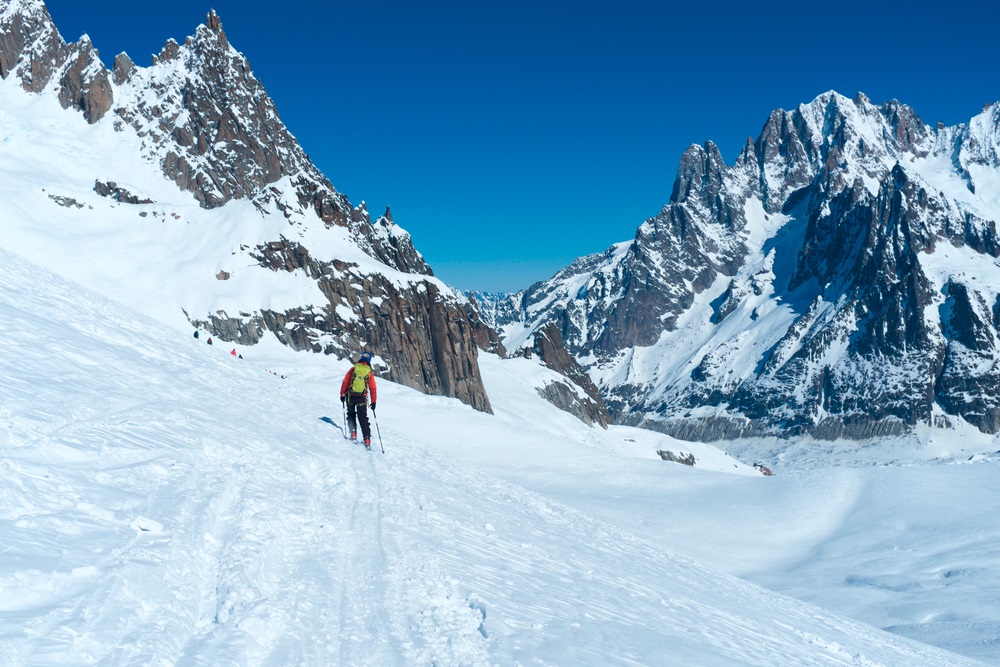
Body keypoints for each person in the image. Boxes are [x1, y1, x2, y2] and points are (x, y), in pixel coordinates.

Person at [339, 351, 377, 447]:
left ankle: (353, 433)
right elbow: (373, 388)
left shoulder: (353, 369)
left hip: (350, 396)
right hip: (362, 398)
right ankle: (367, 439)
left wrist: (342, 394)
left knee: (351, 414)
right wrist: (374, 401)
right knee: (363, 418)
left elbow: (345, 382)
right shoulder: (369, 372)